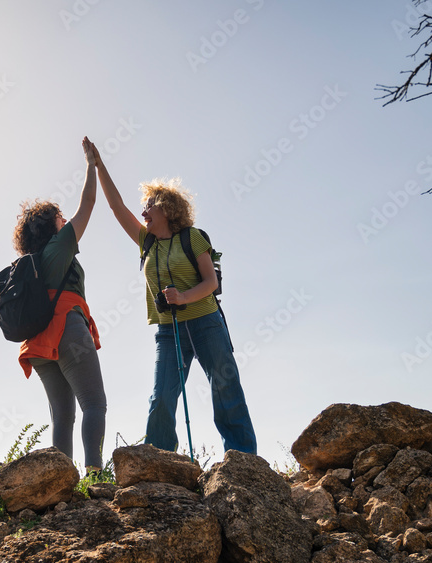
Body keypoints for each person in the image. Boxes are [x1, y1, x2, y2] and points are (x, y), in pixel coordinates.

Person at [87, 136, 256, 455]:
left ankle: (243, 460)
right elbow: (115, 206)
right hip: (169, 330)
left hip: (206, 323)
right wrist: (98, 164)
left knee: (225, 389)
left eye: (149, 205)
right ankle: (160, 462)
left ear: (166, 208)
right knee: (161, 397)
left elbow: (211, 284)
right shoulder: (145, 241)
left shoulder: (192, 238)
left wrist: (183, 297)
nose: (143, 210)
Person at [13, 138, 106, 471]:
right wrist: (91, 165)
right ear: (52, 226)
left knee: (62, 416)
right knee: (94, 404)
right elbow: (90, 201)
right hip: (67, 328)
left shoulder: (32, 260)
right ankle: (94, 475)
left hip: (37, 342)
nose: (66, 221)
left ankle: (60, 485)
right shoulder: (60, 245)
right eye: (61, 218)